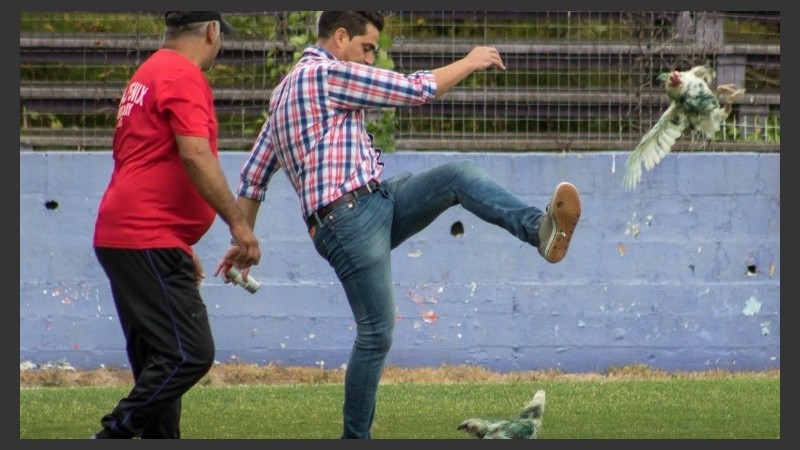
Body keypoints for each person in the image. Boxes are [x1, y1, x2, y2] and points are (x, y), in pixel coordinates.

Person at [215, 11, 581, 439]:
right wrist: (471, 60)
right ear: (339, 38)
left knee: (458, 176)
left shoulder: (282, 94)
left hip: (372, 204)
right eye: (367, 48)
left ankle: (541, 231)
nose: (370, 59)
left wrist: (244, 237)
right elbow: (412, 89)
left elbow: (254, 176)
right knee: (376, 333)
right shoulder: (326, 75)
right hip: (347, 219)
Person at [91, 11, 261, 439]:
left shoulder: (147, 73)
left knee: (159, 365)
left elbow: (144, 160)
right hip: (146, 236)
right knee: (189, 353)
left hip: (129, 235)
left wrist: (181, 242)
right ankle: (112, 434)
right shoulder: (183, 75)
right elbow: (195, 155)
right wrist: (240, 226)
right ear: (210, 31)